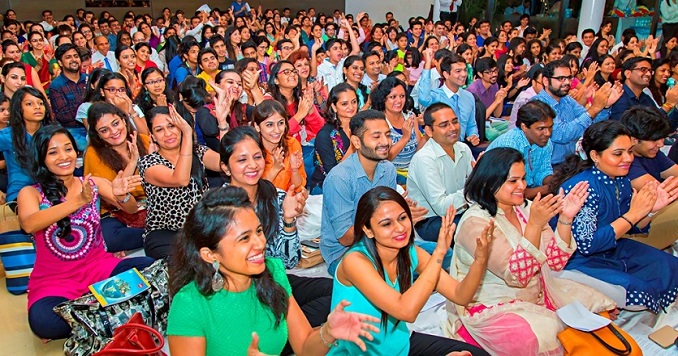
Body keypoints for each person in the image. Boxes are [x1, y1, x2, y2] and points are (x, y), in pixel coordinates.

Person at [167, 187, 380, 355]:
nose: (260, 243)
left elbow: (305, 347)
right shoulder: (190, 305)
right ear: (209, 255)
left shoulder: (273, 271)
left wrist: (328, 332)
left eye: (259, 231)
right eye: (244, 238)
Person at [448, 147, 601, 355]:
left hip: (537, 293)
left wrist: (566, 218)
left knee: (595, 307)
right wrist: (535, 226)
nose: (523, 186)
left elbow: (555, 262)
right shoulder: (475, 223)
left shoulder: (526, 208)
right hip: (493, 303)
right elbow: (517, 276)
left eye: (523, 179)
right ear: (489, 181)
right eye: (513, 181)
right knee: (538, 337)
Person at [19, 125, 154, 340]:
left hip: (100, 270)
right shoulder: (30, 193)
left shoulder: (93, 183)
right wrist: (78, 201)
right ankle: (112, 314)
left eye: (68, 149)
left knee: (149, 269)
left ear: (76, 152)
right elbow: (29, 224)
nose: (63, 157)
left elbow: (129, 209)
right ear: (41, 158)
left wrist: (122, 196)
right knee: (43, 322)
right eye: (53, 152)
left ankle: (87, 317)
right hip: (55, 281)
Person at [330, 186, 491, 355]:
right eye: (387, 224)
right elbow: (406, 311)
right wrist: (439, 253)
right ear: (368, 230)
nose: (400, 228)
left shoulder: (410, 253)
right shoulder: (355, 261)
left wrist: (479, 260)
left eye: (403, 218)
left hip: (401, 347)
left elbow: (461, 295)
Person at [219, 127, 334, 347]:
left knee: (336, 293)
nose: (252, 165)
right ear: (225, 167)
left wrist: (289, 220)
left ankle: (281, 337)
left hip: (273, 278)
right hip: (237, 288)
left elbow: (290, 261)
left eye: (257, 157)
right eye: (242, 160)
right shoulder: (216, 206)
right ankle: (283, 337)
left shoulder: (274, 196)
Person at [551, 120, 678, 313]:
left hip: (613, 248)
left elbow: (633, 226)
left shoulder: (621, 180)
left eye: (630, 151)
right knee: (637, 289)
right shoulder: (583, 187)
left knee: (669, 265)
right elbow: (586, 245)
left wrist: (650, 210)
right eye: (618, 154)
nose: (627, 158)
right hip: (579, 260)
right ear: (595, 156)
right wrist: (633, 214)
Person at [321, 110, 434, 275]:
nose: (385, 142)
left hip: (384, 242)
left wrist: (402, 214)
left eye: (387, 135)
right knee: (396, 271)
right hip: (346, 253)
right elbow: (345, 238)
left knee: (441, 254)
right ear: (356, 142)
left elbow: (385, 212)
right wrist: (390, 222)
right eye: (376, 137)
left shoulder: (387, 169)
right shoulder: (339, 178)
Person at [138, 105, 221, 259]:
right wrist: (188, 134)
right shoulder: (148, 163)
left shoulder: (198, 151)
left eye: (172, 126)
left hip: (200, 228)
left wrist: (222, 124)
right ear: (153, 136)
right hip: (165, 233)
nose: (168, 133)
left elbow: (226, 163)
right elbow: (180, 179)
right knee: (192, 262)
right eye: (159, 130)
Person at [84, 102, 149, 253]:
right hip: (118, 212)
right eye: (104, 130)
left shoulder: (144, 141)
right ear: (97, 135)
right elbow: (117, 197)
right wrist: (132, 162)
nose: (114, 132)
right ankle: (159, 235)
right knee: (109, 238)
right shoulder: (93, 154)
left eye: (115, 123)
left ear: (124, 121)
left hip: (152, 206)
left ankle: (160, 234)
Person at [407, 102, 473, 242]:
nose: (452, 128)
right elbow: (441, 207)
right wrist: (474, 188)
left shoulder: (463, 149)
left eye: (454, 122)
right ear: (429, 131)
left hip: (461, 212)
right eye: (444, 125)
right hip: (430, 221)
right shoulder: (424, 159)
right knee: (476, 227)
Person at [534, 59, 618, 166]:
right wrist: (595, 108)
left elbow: (591, 125)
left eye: (569, 78)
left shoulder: (566, 100)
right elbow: (562, 135)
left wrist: (605, 107)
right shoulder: (537, 104)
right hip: (548, 168)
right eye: (561, 79)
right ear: (545, 81)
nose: (567, 82)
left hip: (570, 162)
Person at [620, 106, 678, 249]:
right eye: (654, 140)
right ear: (633, 140)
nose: (661, 144)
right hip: (632, 235)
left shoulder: (652, 153)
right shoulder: (625, 163)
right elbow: (662, 192)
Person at [487, 101, 555, 199]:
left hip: (526, 192)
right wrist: (549, 188)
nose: (548, 133)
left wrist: (557, 181)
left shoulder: (545, 142)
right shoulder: (509, 145)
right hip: (498, 197)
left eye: (550, 127)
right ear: (524, 127)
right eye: (541, 128)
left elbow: (543, 171)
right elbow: (513, 191)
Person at [0, 87, 53, 211]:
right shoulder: (8, 136)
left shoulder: (53, 132)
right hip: (20, 194)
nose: (37, 107)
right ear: (19, 108)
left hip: (52, 190)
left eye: (40, 103)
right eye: (29, 104)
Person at [418, 53, 480, 150]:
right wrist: (428, 64)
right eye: (458, 71)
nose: (463, 74)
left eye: (465, 70)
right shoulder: (436, 96)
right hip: (439, 148)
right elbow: (423, 98)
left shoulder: (468, 97)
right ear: (446, 74)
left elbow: (471, 124)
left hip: (461, 147)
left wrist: (473, 135)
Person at [371, 77, 422, 183]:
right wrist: (405, 138)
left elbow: (418, 150)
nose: (399, 101)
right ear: (383, 99)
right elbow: (384, 158)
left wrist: (428, 135)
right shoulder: (379, 122)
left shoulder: (410, 117)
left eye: (402, 96)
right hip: (391, 174)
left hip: (414, 170)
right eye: (393, 97)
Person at [252, 99, 307, 192]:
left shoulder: (292, 144)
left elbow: (298, 186)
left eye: (281, 123)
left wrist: (294, 170)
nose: (277, 130)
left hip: (288, 200)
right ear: (257, 126)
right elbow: (255, 192)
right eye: (269, 125)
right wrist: (275, 168)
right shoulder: (252, 150)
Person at [310, 83, 356, 192]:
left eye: (354, 102)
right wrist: (352, 148)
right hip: (327, 186)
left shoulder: (361, 127)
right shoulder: (325, 135)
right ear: (334, 107)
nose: (351, 107)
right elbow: (333, 174)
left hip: (356, 181)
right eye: (344, 104)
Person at [610, 57, 678, 129]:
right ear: (628, 74)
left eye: (650, 71)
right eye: (643, 70)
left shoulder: (645, 97)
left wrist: (676, 107)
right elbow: (635, 130)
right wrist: (668, 104)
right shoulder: (619, 96)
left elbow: (664, 127)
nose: (648, 74)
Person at [49, 43, 88, 151]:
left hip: (94, 126)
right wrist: (86, 109)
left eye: (76, 56)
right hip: (72, 130)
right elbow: (63, 115)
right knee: (87, 146)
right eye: (68, 57)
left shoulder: (88, 80)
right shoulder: (56, 85)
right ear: (60, 63)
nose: (73, 59)